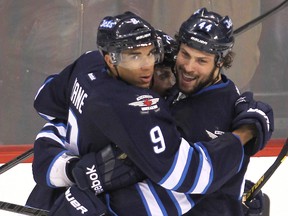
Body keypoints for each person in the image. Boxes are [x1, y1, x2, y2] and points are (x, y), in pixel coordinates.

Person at [26, 11, 273, 216]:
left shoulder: (209, 114)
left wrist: (102, 205)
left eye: (201, 60)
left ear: (220, 62)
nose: (187, 67)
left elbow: (188, 182)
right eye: (185, 55)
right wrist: (71, 169)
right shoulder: (170, 82)